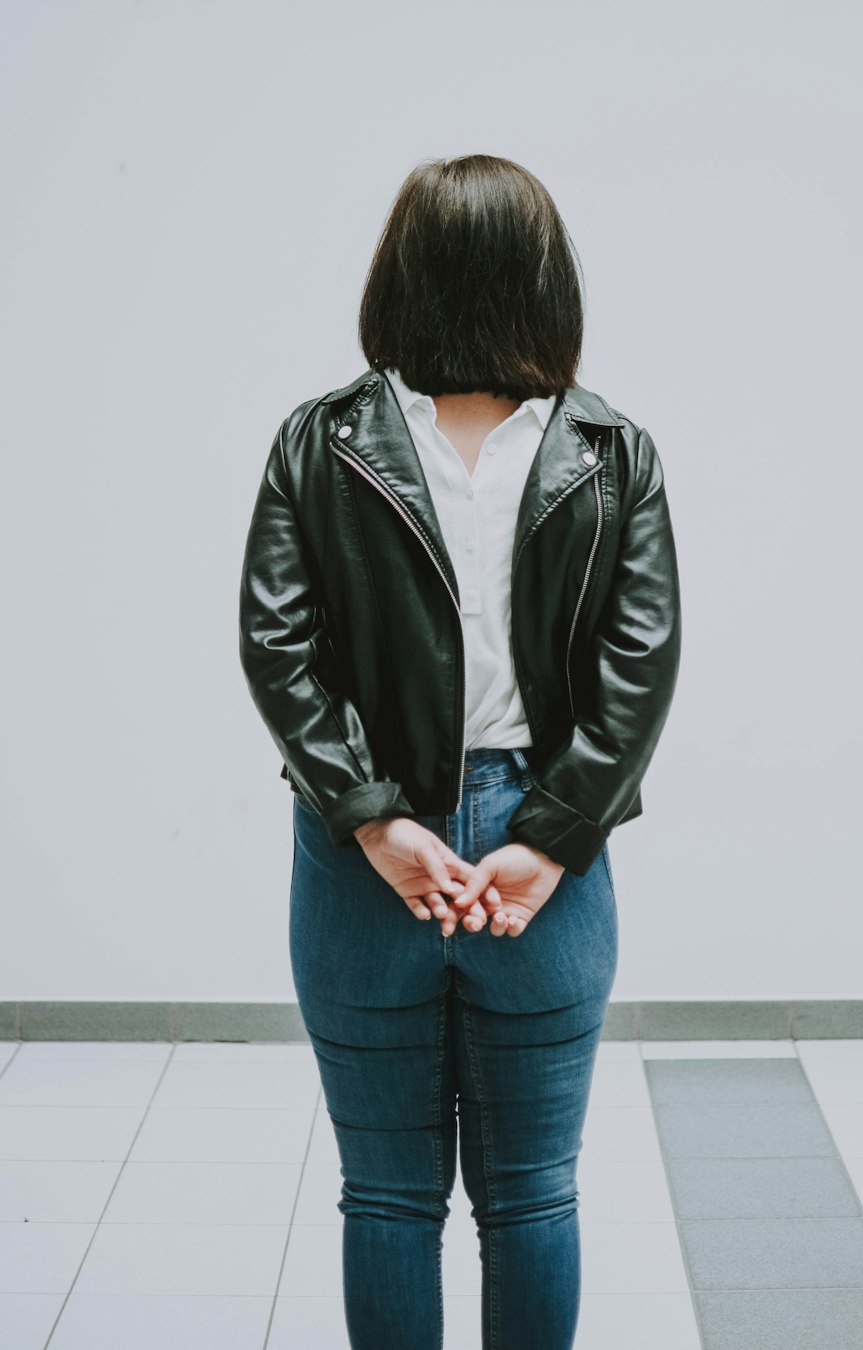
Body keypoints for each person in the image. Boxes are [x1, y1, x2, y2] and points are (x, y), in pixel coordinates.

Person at [238, 153, 681, 1350]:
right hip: (530, 853)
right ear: (544, 280)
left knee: (387, 1194)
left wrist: (379, 822)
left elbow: (280, 653)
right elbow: (638, 673)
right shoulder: (612, 451)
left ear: (402, 274)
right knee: (532, 1190)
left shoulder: (322, 441)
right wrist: (547, 841)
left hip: (367, 859)